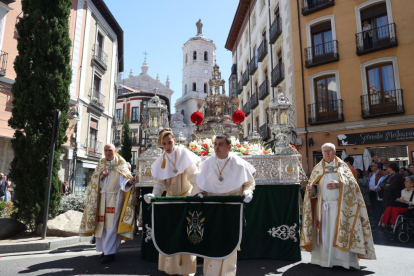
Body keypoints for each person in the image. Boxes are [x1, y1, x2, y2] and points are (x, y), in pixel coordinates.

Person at [301, 143, 376, 269]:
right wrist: (310, 189)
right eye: (324, 151)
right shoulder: (318, 168)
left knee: (340, 232)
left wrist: (340, 184)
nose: (327, 153)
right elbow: (313, 192)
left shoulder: (343, 167)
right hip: (323, 208)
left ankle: (342, 261)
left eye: (329, 151)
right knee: (324, 233)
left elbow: (354, 186)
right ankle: (322, 259)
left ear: (335, 152)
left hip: (340, 208)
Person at [191, 134, 255, 276]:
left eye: (220, 144)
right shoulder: (207, 163)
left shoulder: (239, 164)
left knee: (229, 243)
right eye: (215, 144)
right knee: (211, 242)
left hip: (231, 210)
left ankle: (227, 274)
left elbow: (249, 183)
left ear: (229, 147)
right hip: (211, 210)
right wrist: (199, 193)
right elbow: (198, 183)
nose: (216, 147)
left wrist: (247, 192)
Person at [144, 128, 200, 276]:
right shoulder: (161, 160)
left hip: (186, 199)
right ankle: (170, 268)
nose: (167, 146)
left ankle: (187, 270)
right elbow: (159, 184)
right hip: (170, 200)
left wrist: (197, 193)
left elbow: (194, 177)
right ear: (160, 144)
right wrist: (153, 195)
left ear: (174, 140)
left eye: (170, 142)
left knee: (186, 234)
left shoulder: (183, 154)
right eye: (164, 144)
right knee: (171, 233)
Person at [79, 143, 139, 264]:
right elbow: (94, 180)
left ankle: (110, 253)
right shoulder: (101, 163)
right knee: (102, 224)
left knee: (111, 225)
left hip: (115, 197)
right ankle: (104, 250)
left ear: (115, 150)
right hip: (102, 197)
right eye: (105, 150)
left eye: (110, 150)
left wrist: (130, 181)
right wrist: (101, 176)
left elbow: (125, 180)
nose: (107, 152)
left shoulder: (121, 162)